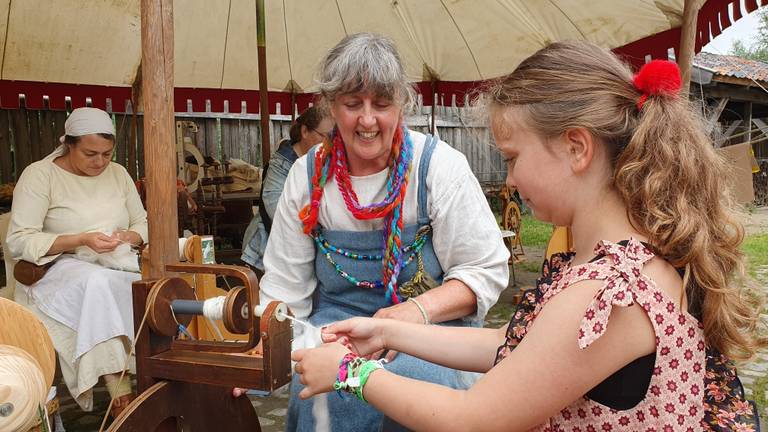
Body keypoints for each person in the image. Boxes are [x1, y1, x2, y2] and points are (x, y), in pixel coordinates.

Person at [291, 41, 767, 431]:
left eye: (514, 157)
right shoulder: (619, 266)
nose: (510, 181)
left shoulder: (610, 294)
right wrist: (390, 332)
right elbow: (513, 346)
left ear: (576, 148)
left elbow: (472, 419)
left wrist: (350, 373)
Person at [257, 33, 510, 431]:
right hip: (336, 331)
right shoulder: (307, 178)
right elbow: (286, 291)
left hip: (430, 332)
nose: (368, 120)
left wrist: (410, 314)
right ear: (330, 106)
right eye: (353, 104)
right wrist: (266, 348)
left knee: (421, 386)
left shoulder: (438, 168)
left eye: (382, 103)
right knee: (323, 395)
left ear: (403, 105)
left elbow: (484, 270)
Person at [6, 107, 147, 417]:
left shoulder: (119, 173)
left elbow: (143, 224)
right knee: (96, 287)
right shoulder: (40, 175)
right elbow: (19, 240)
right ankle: (120, 393)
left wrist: (128, 237)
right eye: (90, 153)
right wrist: (81, 239)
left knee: (149, 289)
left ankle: (150, 375)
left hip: (119, 264)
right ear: (69, 144)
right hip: (58, 270)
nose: (99, 162)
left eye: (107, 154)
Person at [241, 106, 333, 275]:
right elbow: (278, 213)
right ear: (305, 131)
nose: (329, 143)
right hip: (264, 251)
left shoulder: (325, 164)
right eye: (325, 136)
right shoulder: (281, 164)